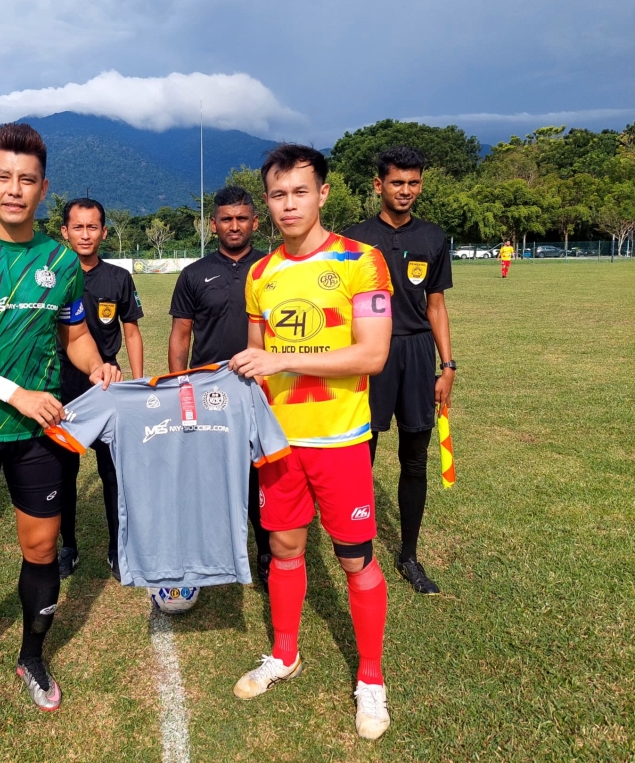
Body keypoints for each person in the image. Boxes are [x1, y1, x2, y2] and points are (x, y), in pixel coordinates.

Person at [0, 123, 121, 722]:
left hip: (38, 436)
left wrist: (99, 367)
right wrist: (18, 394)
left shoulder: (61, 260)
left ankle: (32, 657)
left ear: (43, 188)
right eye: (3, 178)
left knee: (40, 550)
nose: (15, 189)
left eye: (27, 180)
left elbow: (76, 335)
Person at [228, 144, 394, 741]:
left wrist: (279, 357)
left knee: (355, 558)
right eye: (277, 194)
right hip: (278, 444)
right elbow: (253, 363)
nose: (289, 204)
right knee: (285, 547)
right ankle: (285, 653)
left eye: (300, 192)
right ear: (266, 200)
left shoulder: (361, 260)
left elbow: (372, 354)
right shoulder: (260, 273)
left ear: (324, 193)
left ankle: (370, 680)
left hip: (340, 440)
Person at [344, 146, 455, 595]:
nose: (405, 191)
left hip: (415, 355)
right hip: (368, 353)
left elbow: (436, 305)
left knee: (415, 456)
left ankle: (409, 555)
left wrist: (447, 365)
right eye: (396, 183)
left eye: (413, 183)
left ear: (420, 185)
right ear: (379, 185)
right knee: (359, 456)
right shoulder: (352, 239)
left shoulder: (433, 237)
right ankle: (360, 547)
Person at [168, 185, 272, 587]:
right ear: (213, 225)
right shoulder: (195, 273)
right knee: (211, 477)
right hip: (210, 390)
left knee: (262, 474)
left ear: (255, 222)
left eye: (242, 218)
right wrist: (180, 388)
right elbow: (181, 335)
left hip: (263, 390)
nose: (234, 226)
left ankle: (265, 554)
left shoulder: (272, 268)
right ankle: (209, 557)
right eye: (226, 219)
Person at [56, 197, 144, 581]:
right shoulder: (52, 275)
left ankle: (116, 546)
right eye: (78, 227)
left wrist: (138, 384)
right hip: (60, 387)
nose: (86, 234)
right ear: (65, 232)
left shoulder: (118, 278)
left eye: (93, 227)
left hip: (107, 387)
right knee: (62, 473)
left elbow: (132, 331)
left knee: (113, 473)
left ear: (104, 232)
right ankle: (67, 547)